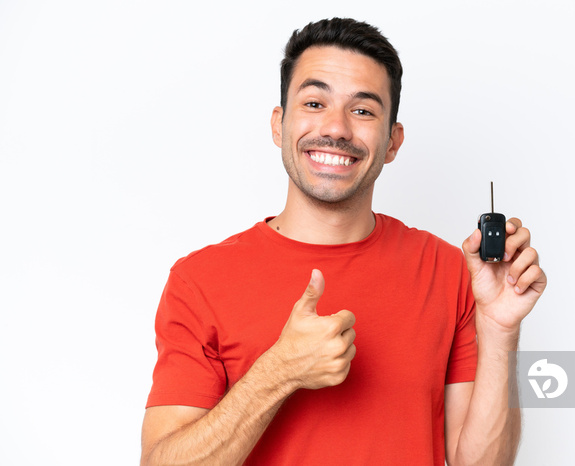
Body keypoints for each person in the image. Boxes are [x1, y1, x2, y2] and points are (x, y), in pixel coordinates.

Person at [140, 17, 546, 466]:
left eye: (363, 110)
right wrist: (277, 373)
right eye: (314, 103)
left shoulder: (448, 271)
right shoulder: (200, 281)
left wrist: (500, 332)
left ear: (393, 142)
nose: (336, 128)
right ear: (279, 125)